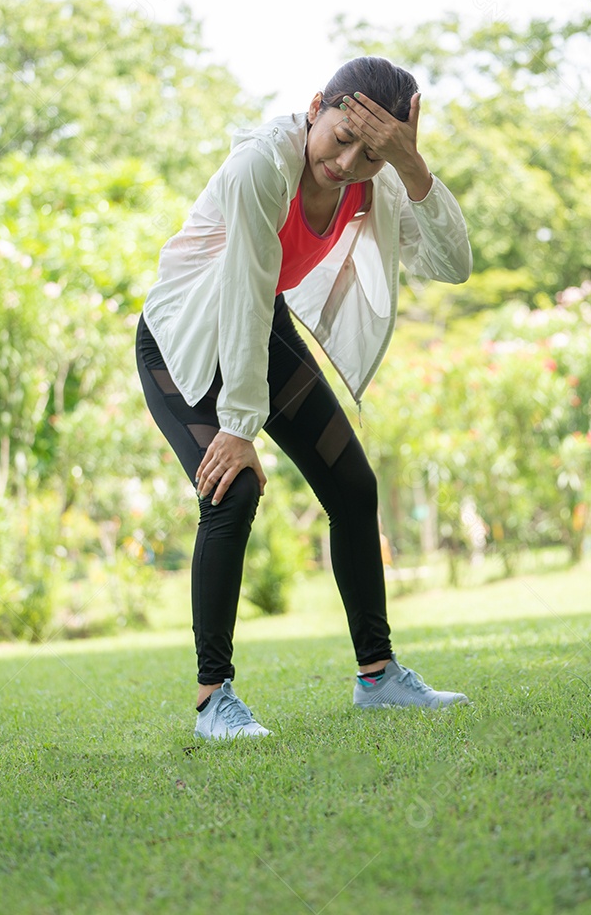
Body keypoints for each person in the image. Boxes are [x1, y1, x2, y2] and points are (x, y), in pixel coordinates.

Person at [135, 56, 472, 741]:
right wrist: (238, 429)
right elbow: (245, 287)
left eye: (370, 153)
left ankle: (378, 677)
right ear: (317, 107)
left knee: (353, 486)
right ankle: (213, 702)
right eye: (341, 138)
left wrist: (410, 165)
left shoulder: (377, 181)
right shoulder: (261, 165)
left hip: (257, 325)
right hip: (182, 337)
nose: (347, 164)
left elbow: (451, 264)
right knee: (232, 491)